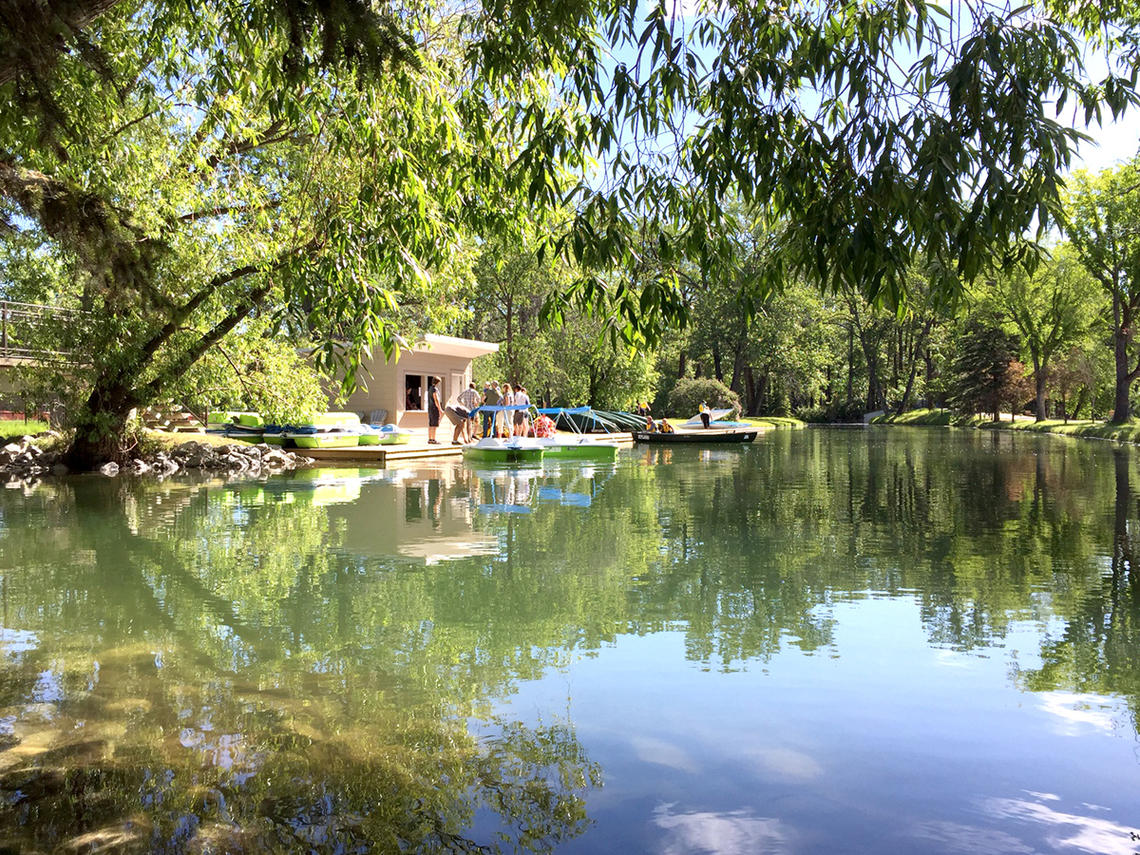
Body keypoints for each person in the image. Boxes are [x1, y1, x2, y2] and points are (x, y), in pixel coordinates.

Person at [426, 377, 442, 444]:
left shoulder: (430, 388)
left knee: (431, 424)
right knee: (434, 424)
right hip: (434, 408)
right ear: (437, 382)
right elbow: (436, 399)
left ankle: (430, 438)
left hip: (430, 408)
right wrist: (440, 409)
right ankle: (433, 439)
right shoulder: (434, 389)